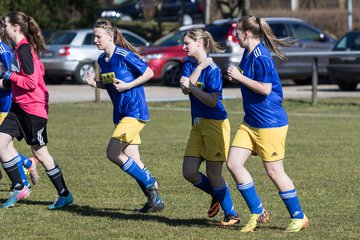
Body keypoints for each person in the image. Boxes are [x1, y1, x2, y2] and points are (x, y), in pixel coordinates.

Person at [226, 15, 309, 233]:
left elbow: (265, 88)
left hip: (269, 123)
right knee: (233, 163)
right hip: (251, 122)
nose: (234, 36)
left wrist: (240, 77)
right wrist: (239, 76)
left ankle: (298, 216)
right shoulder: (248, 52)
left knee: (274, 172)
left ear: (245, 34)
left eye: (237, 32)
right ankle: (257, 211)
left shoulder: (261, 55)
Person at [84, 20, 164, 213]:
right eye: (94, 36)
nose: (95, 40)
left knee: (113, 153)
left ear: (110, 37)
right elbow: (112, 84)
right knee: (133, 159)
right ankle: (155, 201)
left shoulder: (124, 54)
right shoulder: (103, 60)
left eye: (98, 36)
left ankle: (150, 182)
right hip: (120, 114)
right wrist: (96, 84)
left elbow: (149, 72)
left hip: (134, 112)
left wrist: (129, 86)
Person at [0, 11, 73, 209]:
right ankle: (19, 186)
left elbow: (31, 83)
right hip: (18, 107)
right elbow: (24, 77)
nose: (4, 28)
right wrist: (6, 81)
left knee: (40, 153)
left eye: (5, 25)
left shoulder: (24, 49)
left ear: (15, 27)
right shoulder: (18, 49)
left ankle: (64, 194)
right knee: (0, 143)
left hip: (33, 109)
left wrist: (7, 74)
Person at [179, 28, 239, 226]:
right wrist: (199, 68)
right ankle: (218, 194)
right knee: (189, 172)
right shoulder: (189, 63)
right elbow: (184, 89)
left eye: (187, 43)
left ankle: (231, 214)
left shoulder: (213, 70)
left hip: (215, 124)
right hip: (197, 123)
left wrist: (193, 85)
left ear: (199, 43)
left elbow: (212, 101)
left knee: (214, 173)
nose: (184, 46)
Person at [0, 17, 39, 190]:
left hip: (5, 104)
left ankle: (21, 181)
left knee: (3, 146)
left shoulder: (5, 51)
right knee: (5, 147)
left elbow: (12, 78)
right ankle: (27, 163)